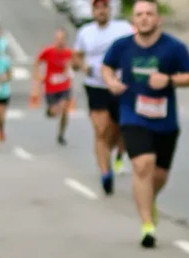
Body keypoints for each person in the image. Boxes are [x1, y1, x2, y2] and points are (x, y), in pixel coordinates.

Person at [101, 0, 189, 248]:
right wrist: (111, 82)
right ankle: (147, 226)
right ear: (133, 20)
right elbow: (106, 67)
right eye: (139, 14)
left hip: (165, 121)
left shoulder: (174, 47)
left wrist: (169, 80)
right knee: (143, 165)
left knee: (159, 175)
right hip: (133, 115)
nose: (144, 18)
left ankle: (148, 199)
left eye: (149, 14)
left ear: (158, 19)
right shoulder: (121, 46)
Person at [73, 0, 132, 195]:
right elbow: (77, 56)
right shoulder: (85, 32)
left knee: (119, 129)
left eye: (104, 7)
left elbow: (137, 45)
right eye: (97, 8)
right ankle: (105, 173)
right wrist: (83, 67)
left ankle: (116, 153)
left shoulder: (123, 28)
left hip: (118, 86)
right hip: (95, 86)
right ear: (92, 11)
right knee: (100, 130)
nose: (101, 11)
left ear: (109, 9)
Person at [31, 28, 73, 146]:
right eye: (58, 39)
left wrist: (70, 67)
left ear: (66, 40)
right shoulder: (48, 51)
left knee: (64, 109)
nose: (60, 41)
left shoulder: (69, 53)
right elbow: (37, 61)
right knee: (54, 112)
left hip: (64, 86)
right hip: (51, 87)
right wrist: (37, 76)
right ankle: (51, 110)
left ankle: (61, 134)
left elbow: (75, 64)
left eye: (62, 39)